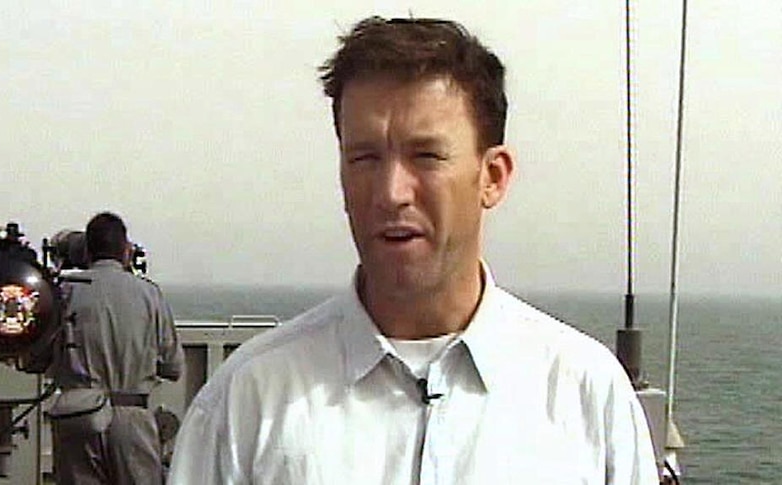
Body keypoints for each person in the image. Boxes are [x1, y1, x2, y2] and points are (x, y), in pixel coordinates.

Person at [169, 16, 658, 484]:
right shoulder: (247, 402)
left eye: (426, 156)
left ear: (493, 176)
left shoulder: (587, 397)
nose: (390, 191)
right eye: (364, 158)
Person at [49, 212, 184, 484]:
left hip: (78, 416)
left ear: (86, 251)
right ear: (126, 250)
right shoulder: (149, 294)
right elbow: (173, 367)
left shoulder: (64, 291)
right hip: (132, 419)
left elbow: (38, 359)